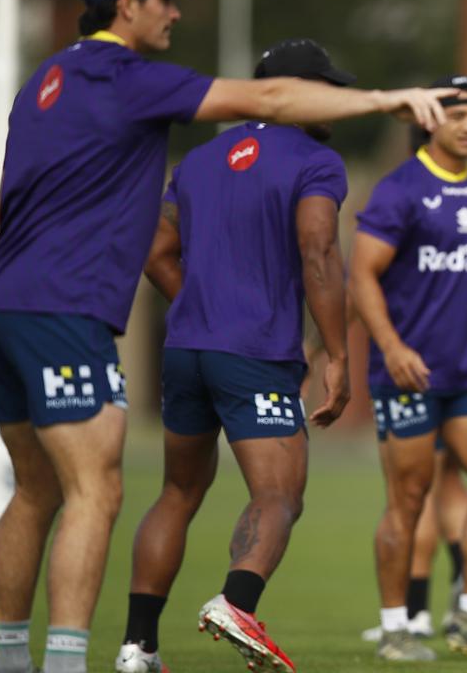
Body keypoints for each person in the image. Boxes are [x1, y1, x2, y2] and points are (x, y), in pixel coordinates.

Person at [0, 0, 457, 672]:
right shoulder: (129, 77)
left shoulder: (41, 84)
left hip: (10, 299)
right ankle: (78, 659)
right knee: (103, 489)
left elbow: (12, 207)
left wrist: (195, 298)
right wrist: (385, 100)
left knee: (42, 489)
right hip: (75, 309)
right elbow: (283, 149)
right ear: (126, 5)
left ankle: (48, 653)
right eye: (164, 1)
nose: (175, 14)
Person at [112, 38, 355, 673]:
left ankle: (138, 647)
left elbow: (156, 251)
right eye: (326, 89)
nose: (336, 101)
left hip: (185, 348)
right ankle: (238, 601)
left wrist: (199, 302)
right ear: (295, 93)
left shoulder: (197, 160)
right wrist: (338, 355)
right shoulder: (316, 160)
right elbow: (319, 252)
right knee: (279, 493)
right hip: (256, 353)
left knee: (177, 491)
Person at [351, 74, 467, 661]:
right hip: (409, 374)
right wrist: (392, 346)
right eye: (458, 114)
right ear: (429, 120)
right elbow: (362, 276)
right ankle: (395, 626)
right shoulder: (399, 190)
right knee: (409, 497)